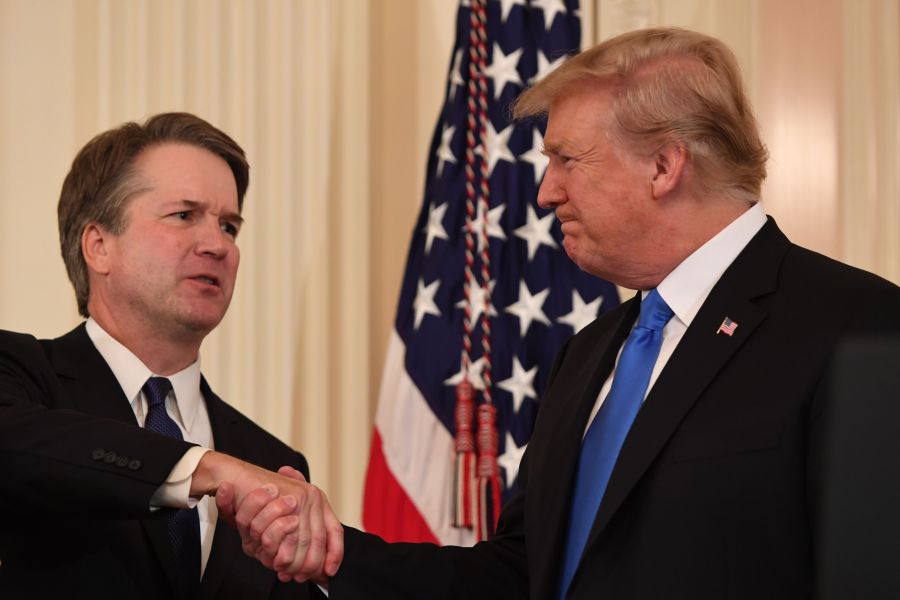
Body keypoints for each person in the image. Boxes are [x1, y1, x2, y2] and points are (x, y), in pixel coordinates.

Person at [230, 27, 900, 599]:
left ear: (664, 165)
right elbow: (520, 576)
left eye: (565, 160)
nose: (546, 193)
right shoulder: (590, 353)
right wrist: (332, 554)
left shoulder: (857, 326)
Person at [0, 113, 342, 599]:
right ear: (99, 246)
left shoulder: (273, 463)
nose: (217, 245)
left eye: (229, 226)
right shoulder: (20, 378)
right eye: (184, 215)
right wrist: (207, 470)